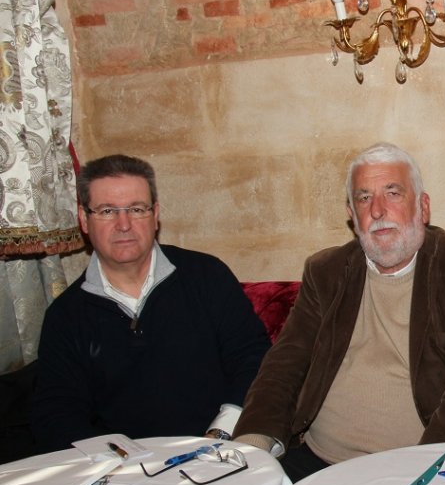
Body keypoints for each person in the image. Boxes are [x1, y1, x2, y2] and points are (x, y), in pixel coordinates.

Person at [233, 143, 445, 482]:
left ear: (423, 206)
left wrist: (426, 469)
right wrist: (254, 446)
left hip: (412, 463)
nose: (377, 210)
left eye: (393, 193)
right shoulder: (325, 270)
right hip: (314, 459)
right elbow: (284, 365)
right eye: (363, 198)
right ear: (351, 214)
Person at [32, 154, 270, 452]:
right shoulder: (66, 315)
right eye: (107, 211)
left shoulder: (206, 275)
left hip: (220, 451)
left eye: (136, 209)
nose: (124, 224)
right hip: (123, 474)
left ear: (155, 215)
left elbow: (254, 358)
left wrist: (221, 433)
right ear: (84, 219)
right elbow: (56, 412)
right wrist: (118, 460)